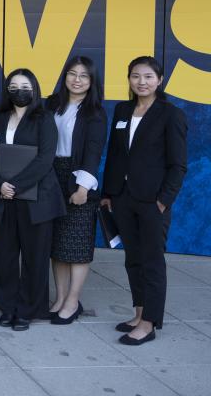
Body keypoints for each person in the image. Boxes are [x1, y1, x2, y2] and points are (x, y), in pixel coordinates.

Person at [103, 56, 187, 346]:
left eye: (148, 76)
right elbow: (115, 154)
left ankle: (149, 323)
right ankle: (138, 314)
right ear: (128, 79)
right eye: (136, 76)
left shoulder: (170, 114)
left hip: (152, 201)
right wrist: (108, 193)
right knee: (133, 260)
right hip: (124, 198)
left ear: (160, 80)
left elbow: (178, 165)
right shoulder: (123, 109)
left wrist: (164, 201)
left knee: (152, 262)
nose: (142, 82)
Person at [0, 68, 65, 331]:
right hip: (4, 197)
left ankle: (28, 309)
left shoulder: (44, 119)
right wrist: (1, 184)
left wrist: (16, 185)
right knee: (4, 255)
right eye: (13, 85)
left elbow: (45, 160)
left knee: (35, 256)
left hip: (36, 199)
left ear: (34, 89)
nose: (19, 90)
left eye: (24, 85)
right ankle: (7, 305)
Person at [46, 56, 107, 325]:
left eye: (84, 75)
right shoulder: (52, 104)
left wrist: (83, 187)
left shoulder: (95, 112)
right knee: (57, 243)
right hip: (50, 176)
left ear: (92, 81)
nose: (77, 79)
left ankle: (73, 301)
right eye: (72, 73)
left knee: (78, 244)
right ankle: (59, 298)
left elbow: (94, 153)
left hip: (78, 177)